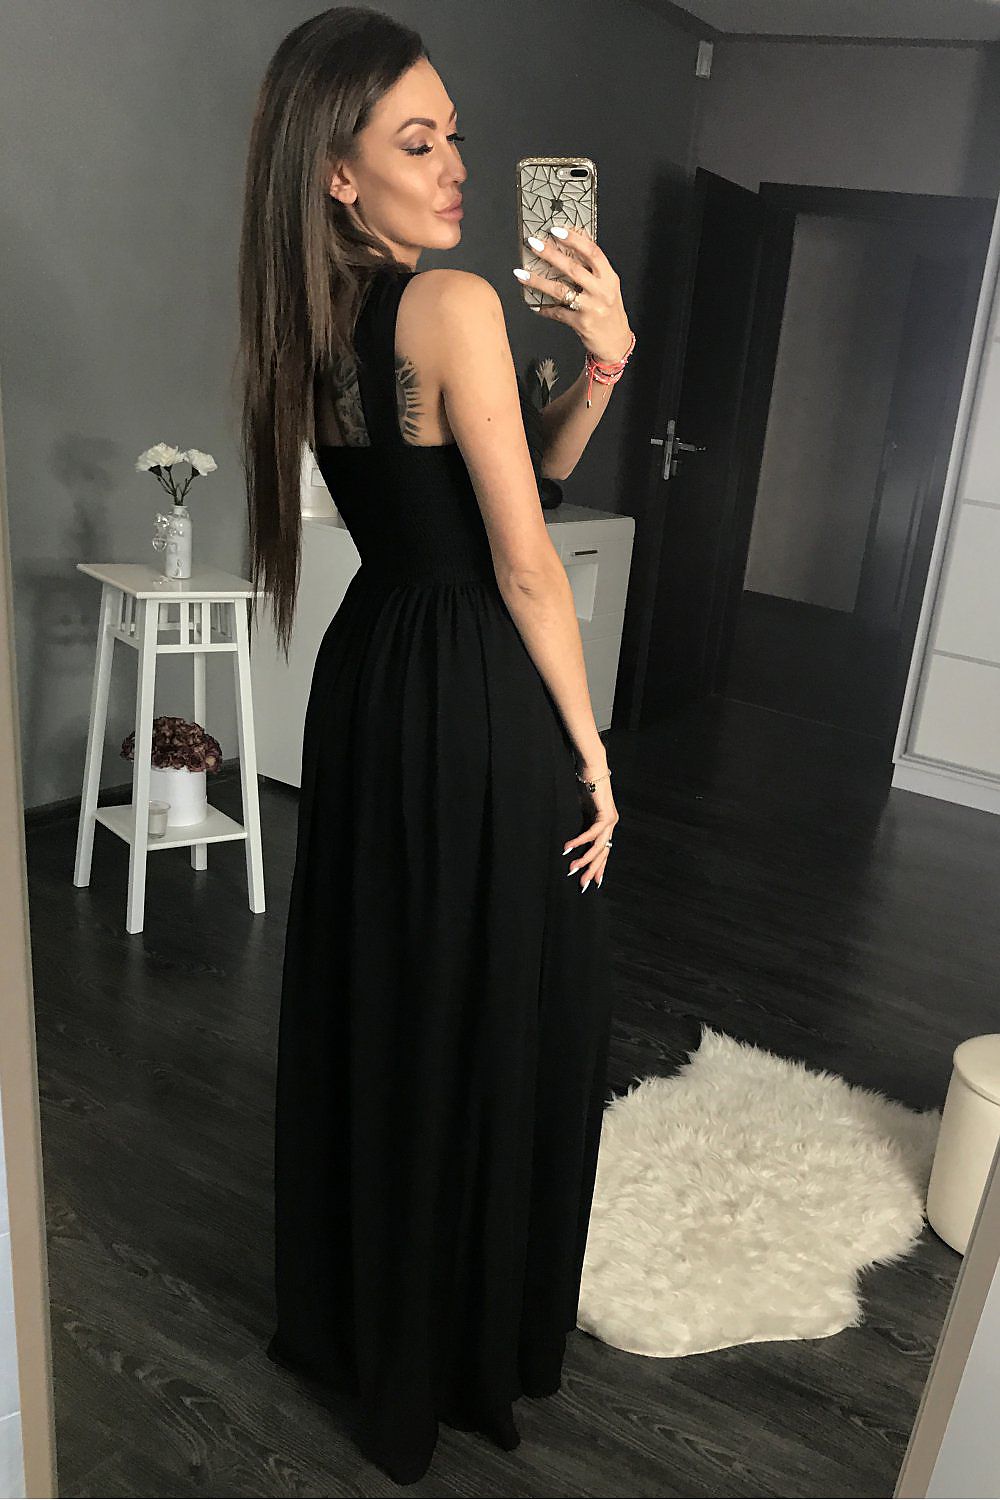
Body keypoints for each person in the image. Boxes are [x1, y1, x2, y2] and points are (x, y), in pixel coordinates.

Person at [236, 6, 634, 1485]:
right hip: (469, 681)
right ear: (339, 173)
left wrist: (599, 366)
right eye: (420, 141)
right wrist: (592, 748)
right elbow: (526, 564)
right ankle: (463, 1337)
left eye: (455, 134)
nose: (458, 163)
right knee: (506, 994)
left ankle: (368, 1318)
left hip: (376, 671)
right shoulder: (451, 305)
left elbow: (510, 482)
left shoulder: (309, 319)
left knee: (393, 993)